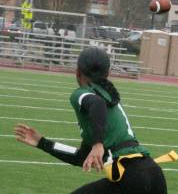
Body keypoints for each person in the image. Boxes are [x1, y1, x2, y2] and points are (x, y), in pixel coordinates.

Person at [14, 47, 167, 194]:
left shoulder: (82, 94)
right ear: (108, 73)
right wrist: (42, 142)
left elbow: (96, 104)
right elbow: (81, 157)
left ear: (77, 72)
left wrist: (97, 144)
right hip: (154, 174)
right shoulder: (108, 98)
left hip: (132, 177)